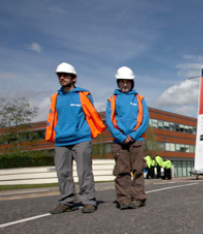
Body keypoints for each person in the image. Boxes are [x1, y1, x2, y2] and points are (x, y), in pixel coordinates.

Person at [46, 62, 105, 214]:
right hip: (61, 141)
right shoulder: (56, 97)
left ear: (74, 78)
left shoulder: (83, 95)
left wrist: (87, 133)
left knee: (84, 171)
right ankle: (66, 201)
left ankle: (89, 201)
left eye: (65, 75)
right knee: (62, 172)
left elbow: (90, 116)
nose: (62, 77)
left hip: (81, 139)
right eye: (60, 75)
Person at [106, 66, 150, 210]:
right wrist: (120, 136)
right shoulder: (112, 100)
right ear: (118, 82)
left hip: (137, 141)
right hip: (119, 142)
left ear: (132, 83)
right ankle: (124, 200)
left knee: (137, 170)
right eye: (122, 81)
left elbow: (145, 120)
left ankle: (138, 198)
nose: (125, 84)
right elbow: (109, 121)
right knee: (122, 171)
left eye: (128, 82)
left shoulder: (139, 99)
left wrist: (133, 135)